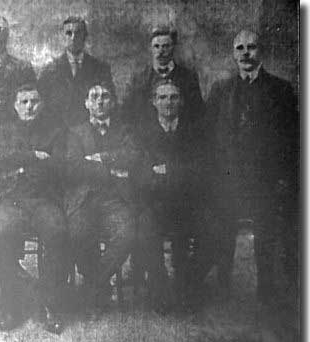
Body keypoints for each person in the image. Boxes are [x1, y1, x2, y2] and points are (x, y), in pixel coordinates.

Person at [204, 30, 299, 307]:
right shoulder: (220, 90)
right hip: (229, 177)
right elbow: (209, 136)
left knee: (266, 236)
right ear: (234, 54)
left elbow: (291, 139)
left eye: (252, 47)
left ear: (261, 52)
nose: (246, 53)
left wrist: (284, 178)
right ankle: (224, 288)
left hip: (265, 178)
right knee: (223, 234)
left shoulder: (281, 90)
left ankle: (266, 292)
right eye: (240, 48)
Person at [61, 82, 161, 313]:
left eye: (105, 97)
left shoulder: (125, 131)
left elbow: (134, 156)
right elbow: (74, 167)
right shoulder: (75, 132)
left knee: (127, 235)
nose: (99, 101)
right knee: (77, 234)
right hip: (84, 199)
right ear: (86, 103)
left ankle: (93, 288)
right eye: (94, 97)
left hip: (116, 199)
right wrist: (112, 169)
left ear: (113, 103)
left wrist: (101, 157)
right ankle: (98, 287)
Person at [0, 84, 68, 334]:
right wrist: (34, 156)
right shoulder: (3, 132)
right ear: (14, 105)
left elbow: (59, 166)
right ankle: (11, 305)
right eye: (23, 102)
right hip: (12, 198)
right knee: (3, 232)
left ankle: (48, 304)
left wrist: (19, 161)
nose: (29, 106)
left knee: (57, 232)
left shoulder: (55, 132)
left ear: (41, 104)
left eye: (34, 101)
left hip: (44, 198)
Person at [132, 80, 210, 311]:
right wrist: (179, 172)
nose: (168, 103)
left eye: (174, 97)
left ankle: (186, 282)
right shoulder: (141, 133)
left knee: (216, 232)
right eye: (163, 98)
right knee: (145, 230)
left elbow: (201, 171)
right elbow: (140, 175)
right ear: (154, 102)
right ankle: (159, 287)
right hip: (154, 204)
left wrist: (168, 170)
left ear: (182, 102)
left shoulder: (194, 132)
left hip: (188, 203)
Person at [37, 16, 113, 127]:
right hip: (58, 133)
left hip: (91, 132)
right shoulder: (49, 71)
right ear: (62, 37)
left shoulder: (100, 68)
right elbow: (41, 106)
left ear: (85, 37)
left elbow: (111, 102)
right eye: (69, 33)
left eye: (78, 33)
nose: (73, 38)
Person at [123, 25, 204, 124]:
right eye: (156, 46)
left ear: (173, 47)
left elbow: (197, 112)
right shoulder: (139, 79)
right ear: (151, 49)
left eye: (165, 46)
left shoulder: (188, 77)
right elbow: (128, 113)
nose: (161, 51)